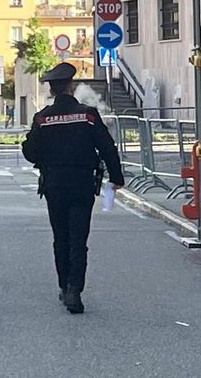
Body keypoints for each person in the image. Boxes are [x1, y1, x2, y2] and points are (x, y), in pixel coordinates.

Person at [21, 62, 124, 314]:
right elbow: (107, 147)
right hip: (82, 184)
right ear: (70, 86)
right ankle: (74, 290)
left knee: (60, 238)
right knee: (79, 239)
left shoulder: (42, 118)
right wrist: (117, 176)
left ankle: (63, 284)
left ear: (53, 90)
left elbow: (30, 152)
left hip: (54, 185)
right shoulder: (88, 115)